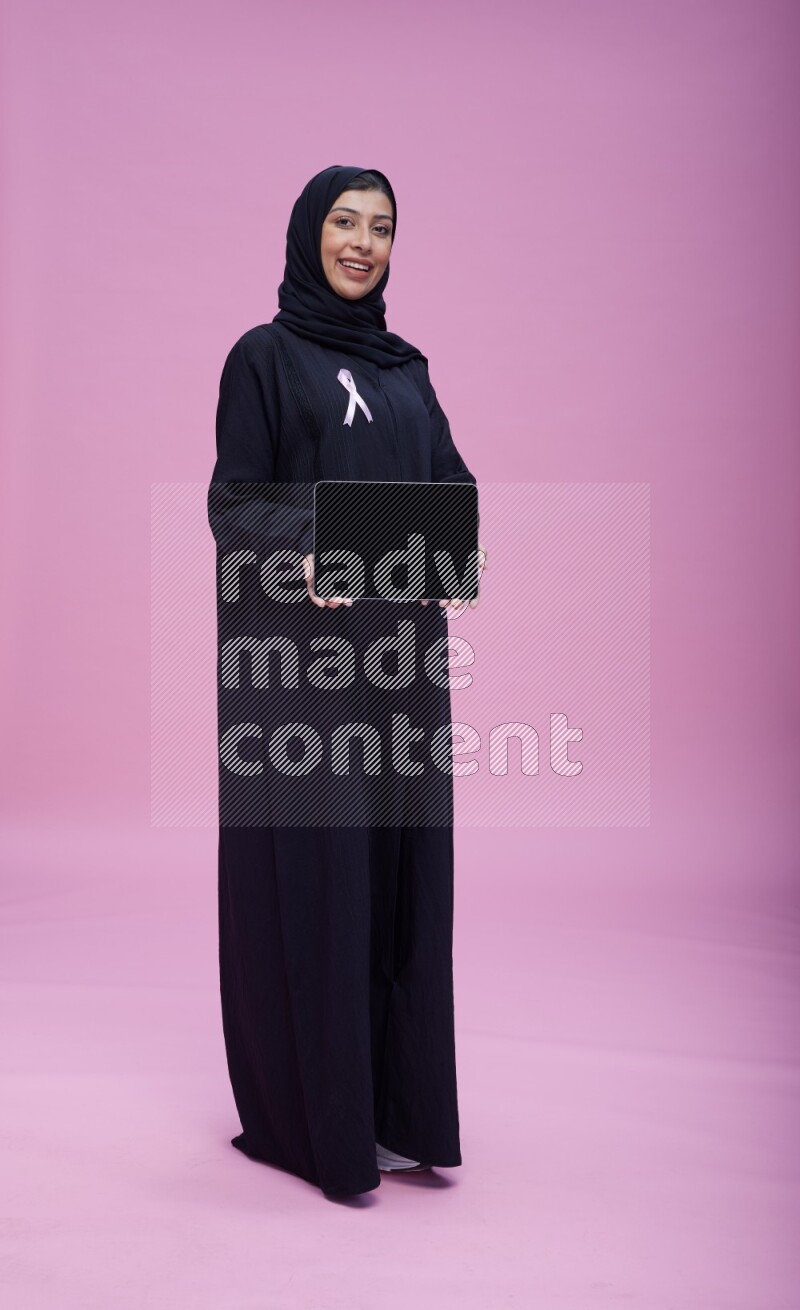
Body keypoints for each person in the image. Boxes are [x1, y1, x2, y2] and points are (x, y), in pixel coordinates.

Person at [207, 164, 486, 1198]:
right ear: (306, 232)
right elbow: (233, 510)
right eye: (344, 222)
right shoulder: (264, 359)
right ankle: (313, 1122)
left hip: (402, 665)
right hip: (302, 675)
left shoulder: (408, 368)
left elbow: (450, 489)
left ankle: (399, 1109)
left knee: (404, 876)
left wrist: (455, 556)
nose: (362, 242)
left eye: (381, 227)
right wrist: (318, 546)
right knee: (323, 883)